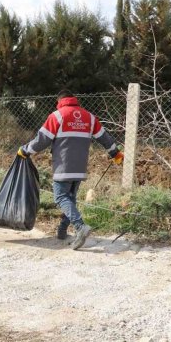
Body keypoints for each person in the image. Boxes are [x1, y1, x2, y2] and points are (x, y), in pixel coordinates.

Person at [18, 90, 124, 250]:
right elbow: (104, 136)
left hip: (63, 166)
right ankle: (62, 231)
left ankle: (80, 227)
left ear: (59, 101)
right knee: (70, 199)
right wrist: (115, 152)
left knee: (60, 197)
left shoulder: (57, 115)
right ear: (74, 100)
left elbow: (42, 139)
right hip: (80, 167)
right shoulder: (89, 117)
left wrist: (26, 150)